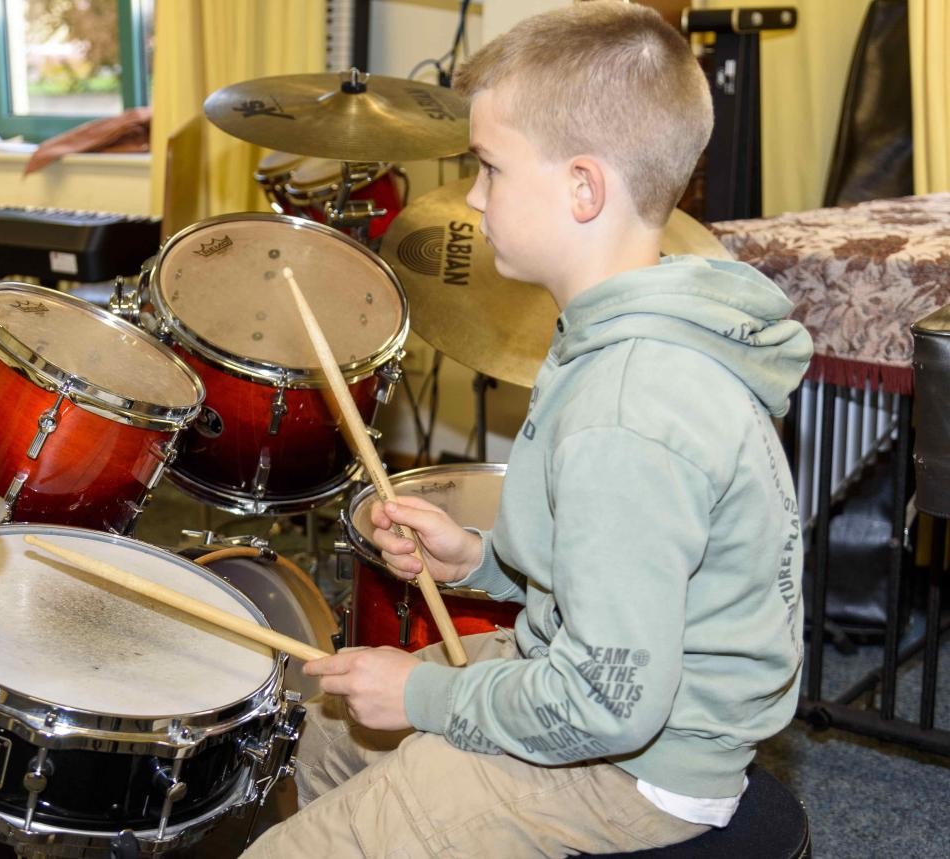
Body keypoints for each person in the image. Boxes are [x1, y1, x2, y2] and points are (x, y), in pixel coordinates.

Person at [244, 2, 812, 856]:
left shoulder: (628, 406)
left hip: (632, 769)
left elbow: (609, 703)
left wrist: (425, 700)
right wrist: (478, 559)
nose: (470, 196)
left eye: (490, 168)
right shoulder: (620, 330)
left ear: (584, 186)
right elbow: (619, 569)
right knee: (332, 723)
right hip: (596, 687)